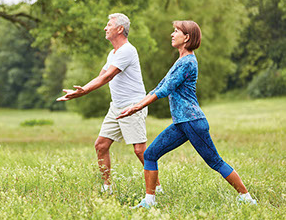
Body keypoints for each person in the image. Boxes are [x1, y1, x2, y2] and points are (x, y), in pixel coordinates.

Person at [117, 20, 257, 208]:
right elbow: (159, 86)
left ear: (187, 37)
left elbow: (165, 90)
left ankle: (246, 198)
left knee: (214, 161)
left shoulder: (188, 62)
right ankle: (149, 202)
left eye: (177, 31)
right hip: (182, 123)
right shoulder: (180, 60)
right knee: (150, 154)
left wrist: (136, 108)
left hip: (192, 121)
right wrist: (136, 104)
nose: (172, 34)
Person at [57, 13, 162, 193]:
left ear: (120, 29)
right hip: (117, 106)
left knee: (139, 150)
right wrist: (80, 90)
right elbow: (101, 75)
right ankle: (107, 188)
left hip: (133, 106)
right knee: (101, 145)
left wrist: (83, 92)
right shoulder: (112, 53)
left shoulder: (128, 50)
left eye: (109, 25)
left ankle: (157, 188)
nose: (105, 28)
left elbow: (108, 76)